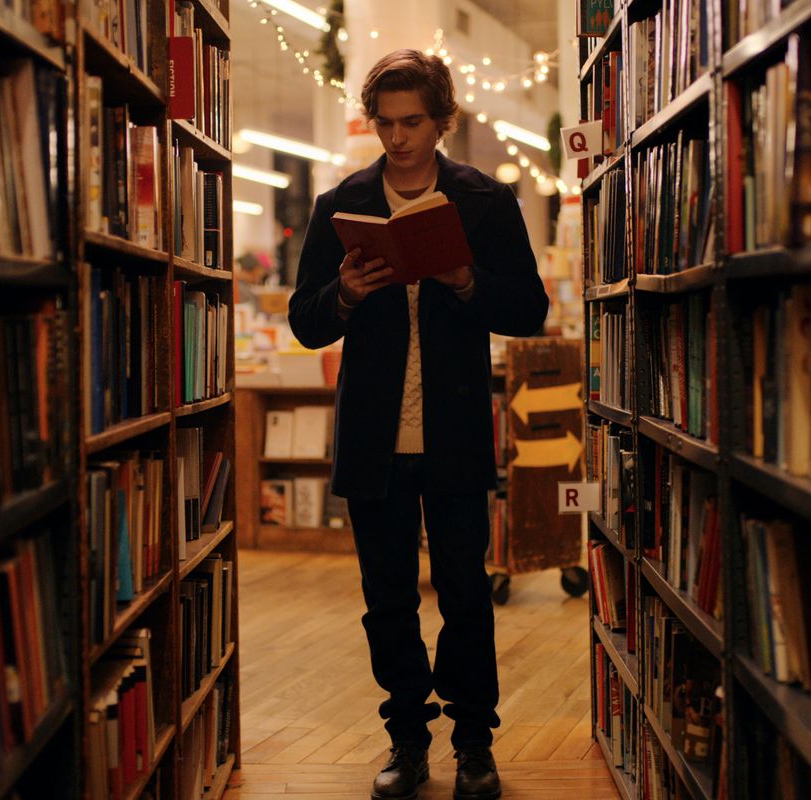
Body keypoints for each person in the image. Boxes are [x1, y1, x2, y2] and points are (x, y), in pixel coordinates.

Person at [288, 49, 548, 800]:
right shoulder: (342, 204)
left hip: (456, 433)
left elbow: (527, 309)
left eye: (413, 123)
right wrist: (341, 292)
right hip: (375, 439)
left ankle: (474, 744)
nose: (398, 138)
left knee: (465, 592)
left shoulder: (483, 202)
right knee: (388, 599)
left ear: (443, 121)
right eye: (386, 123)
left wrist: (467, 280)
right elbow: (306, 323)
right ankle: (407, 740)